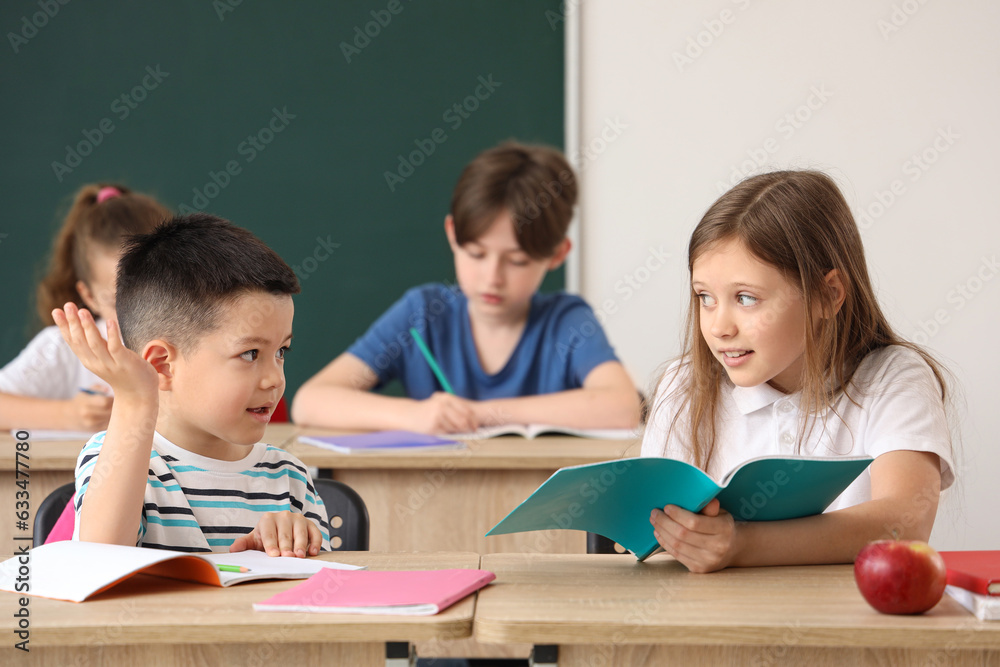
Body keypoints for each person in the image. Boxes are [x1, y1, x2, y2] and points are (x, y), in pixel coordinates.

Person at [642, 170, 955, 573]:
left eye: (746, 298)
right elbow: (656, 535)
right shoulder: (683, 385)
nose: (719, 327)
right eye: (705, 297)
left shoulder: (894, 377)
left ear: (828, 295)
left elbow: (905, 521)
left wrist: (741, 545)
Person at [292, 141, 641, 434]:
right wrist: (414, 415)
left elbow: (623, 407)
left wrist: (479, 413)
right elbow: (311, 401)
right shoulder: (422, 314)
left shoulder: (566, 321)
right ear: (452, 234)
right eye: (476, 254)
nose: (492, 277)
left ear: (557, 254)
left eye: (517, 261)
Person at [54, 215, 330, 555]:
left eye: (281, 351)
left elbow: (320, 592)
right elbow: (100, 559)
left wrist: (295, 541)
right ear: (162, 366)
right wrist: (135, 399)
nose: (275, 378)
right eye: (250, 353)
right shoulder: (116, 458)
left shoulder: (290, 478)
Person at [0, 183, 170, 431]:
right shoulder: (62, 348)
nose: (144, 315)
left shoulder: (199, 340)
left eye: (159, 295)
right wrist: (69, 415)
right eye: (120, 304)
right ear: (89, 297)